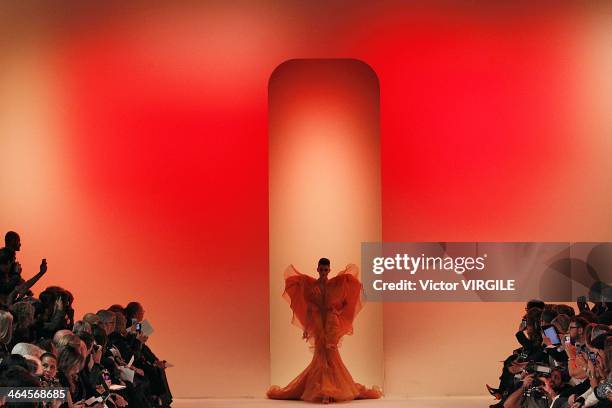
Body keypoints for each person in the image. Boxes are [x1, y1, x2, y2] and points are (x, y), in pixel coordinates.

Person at [267, 258, 382, 403]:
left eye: (325, 270)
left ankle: (329, 390)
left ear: (329, 270)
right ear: (317, 270)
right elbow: (309, 308)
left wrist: (337, 312)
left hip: (331, 322)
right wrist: (307, 328)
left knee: (330, 353)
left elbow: (346, 302)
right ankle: (324, 390)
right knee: (320, 354)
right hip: (318, 323)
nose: (323, 272)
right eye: (321, 269)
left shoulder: (335, 285)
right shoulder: (311, 286)